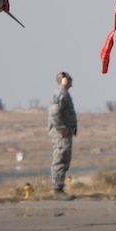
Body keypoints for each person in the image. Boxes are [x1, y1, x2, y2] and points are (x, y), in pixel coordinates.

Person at [48, 71, 77, 199]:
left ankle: (60, 188)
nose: (71, 81)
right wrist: (61, 128)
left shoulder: (65, 94)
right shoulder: (60, 94)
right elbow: (54, 113)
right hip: (61, 134)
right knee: (60, 158)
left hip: (66, 133)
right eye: (69, 79)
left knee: (64, 159)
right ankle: (57, 190)